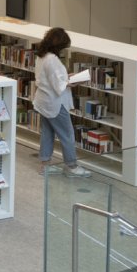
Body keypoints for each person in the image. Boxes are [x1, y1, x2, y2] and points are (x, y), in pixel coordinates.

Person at [33, 27, 91, 178]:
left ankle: (45, 166)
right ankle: (71, 166)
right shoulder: (52, 60)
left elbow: (54, 78)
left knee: (47, 133)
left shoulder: (41, 56)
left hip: (44, 101)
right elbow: (60, 85)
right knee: (67, 134)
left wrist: (68, 76)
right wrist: (74, 81)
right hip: (55, 103)